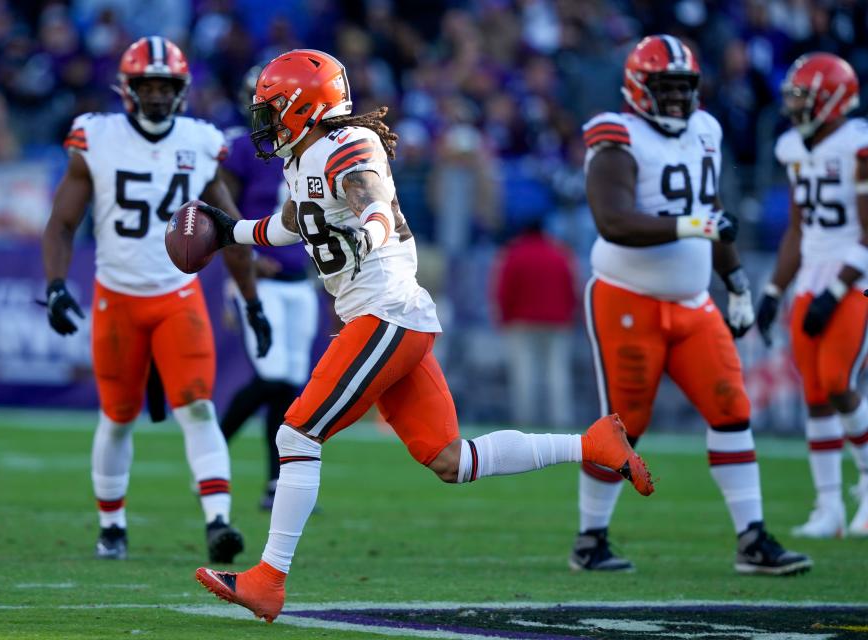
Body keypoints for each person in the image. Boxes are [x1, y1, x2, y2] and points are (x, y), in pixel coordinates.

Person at [192, 48, 654, 623]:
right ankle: (592, 446)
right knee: (449, 460)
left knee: (297, 434)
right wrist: (229, 230)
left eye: (271, 109)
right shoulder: (306, 158)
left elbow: (371, 197)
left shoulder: (345, 146)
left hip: (385, 313)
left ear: (304, 107)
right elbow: (294, 223)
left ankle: (268, 578)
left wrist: (374, 229)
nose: (263, 122)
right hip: (389, 316)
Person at [571, 35, 811, 576]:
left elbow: (714, 210)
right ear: (638, 87)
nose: (678, 99)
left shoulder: (706, 129)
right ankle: (590, 539)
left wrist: (738, 282)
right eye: (666, 88)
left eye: (684, 88)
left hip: (694, 300)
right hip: (626, 297)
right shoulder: (616, 134)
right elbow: (612, 220)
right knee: (624, 423)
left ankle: (752, 539)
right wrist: (692, 225)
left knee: (732, 408)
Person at [41, 37, 272, 563]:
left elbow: (229, 229)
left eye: (165, 86)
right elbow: (62, 222)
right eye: (146, 85)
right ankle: (112, 525)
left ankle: (218, 522)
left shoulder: (201, 141)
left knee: (197, 406)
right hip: (117, 298)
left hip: (176, 297)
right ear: (126, 88)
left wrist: (252, 301)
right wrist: (55, 284)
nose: (156, 95)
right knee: (118, 416)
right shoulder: (96, 137)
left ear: (182, 91)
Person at [756, 52, 868, 538]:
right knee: (815, 393)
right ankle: (828, 508)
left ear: (833, 100)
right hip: (812, 277)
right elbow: (798, 232)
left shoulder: (857, 145)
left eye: (806, 97)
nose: (797, 107)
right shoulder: (793, 149)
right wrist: (773, 290)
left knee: (839, 381)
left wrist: (839, 288)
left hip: (857, 275)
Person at [218, 66, 319, 511]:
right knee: (273, 376)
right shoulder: (242, 148)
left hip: (302, 281)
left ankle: (276, 483)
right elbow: (224, 211)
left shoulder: (314, 145)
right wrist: (244, 264)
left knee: (290, 387)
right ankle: (211, 447)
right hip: (263, 279)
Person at [492, 219, 578, 427]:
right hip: (557, 322)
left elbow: (503, 290)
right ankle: (561, 418)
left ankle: (526, 418)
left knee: (524, 372)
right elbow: (572, 288)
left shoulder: (514, 253)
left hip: (522, 322)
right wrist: (569, 316)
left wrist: (503, 317)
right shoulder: (560, 253)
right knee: (557, 372)